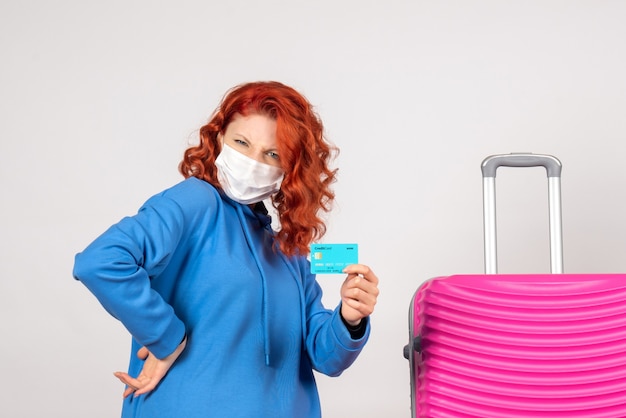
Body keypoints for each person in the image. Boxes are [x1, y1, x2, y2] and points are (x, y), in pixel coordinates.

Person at [72, 81, 380, 418]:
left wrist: (350, 319)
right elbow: (101, 262)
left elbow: (326, 357)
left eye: (272, 154)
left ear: (291, 169)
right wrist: (166, 336)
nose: (252, 161)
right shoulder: (195, 202)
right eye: (242, 143)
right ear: (219, 138)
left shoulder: (287, 253)